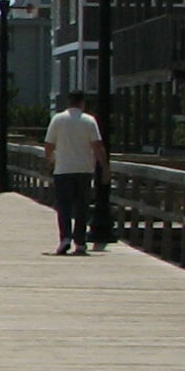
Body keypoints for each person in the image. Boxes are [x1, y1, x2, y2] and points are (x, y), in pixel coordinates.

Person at [44, 91, 108, 255]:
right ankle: (80, 242)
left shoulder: (58, 119)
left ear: (69, 102)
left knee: (64, 207)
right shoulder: (89, 121)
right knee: (82, 207)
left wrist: (50, 161)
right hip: (84, 170)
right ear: (82, 103)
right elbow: (97, 146)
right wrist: (105, 167)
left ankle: (65, 238)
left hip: (63, 169)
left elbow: (49, 145)